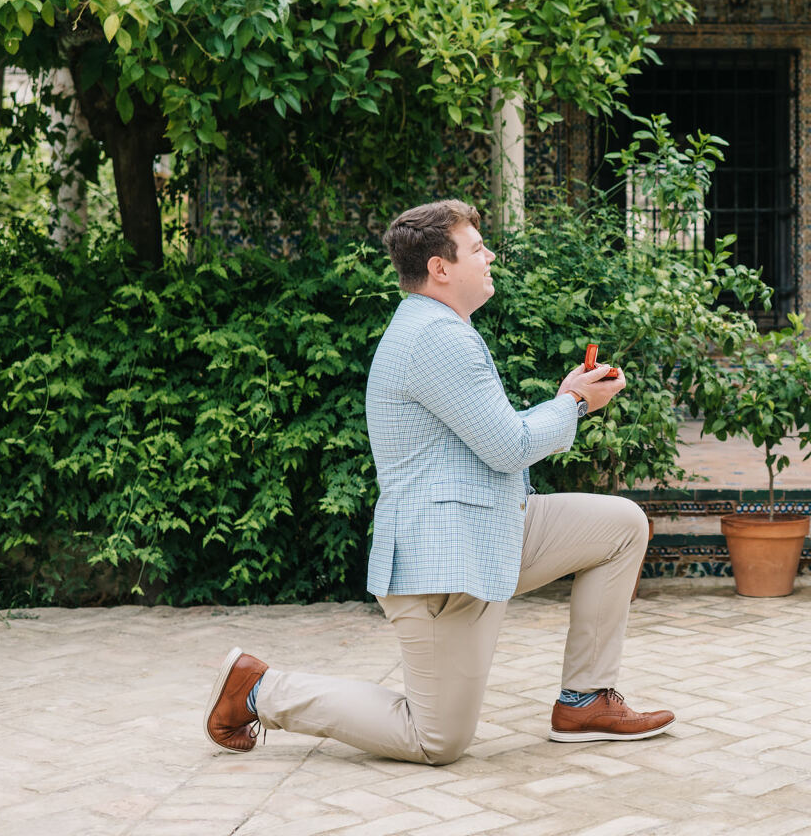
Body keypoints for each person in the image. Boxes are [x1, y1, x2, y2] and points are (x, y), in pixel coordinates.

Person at [203, 199, 675, 764]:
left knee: (621, 525)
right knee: (436, 740)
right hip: (445, 561)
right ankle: (258, 689)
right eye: (477, 248)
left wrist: (565, 399)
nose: (490, 255)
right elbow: (509, 447)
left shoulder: (439, 328)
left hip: (495, 528)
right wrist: (574, 402)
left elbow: (496, 435)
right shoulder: (436, 338)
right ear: (440, 268)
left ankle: (586, 701)